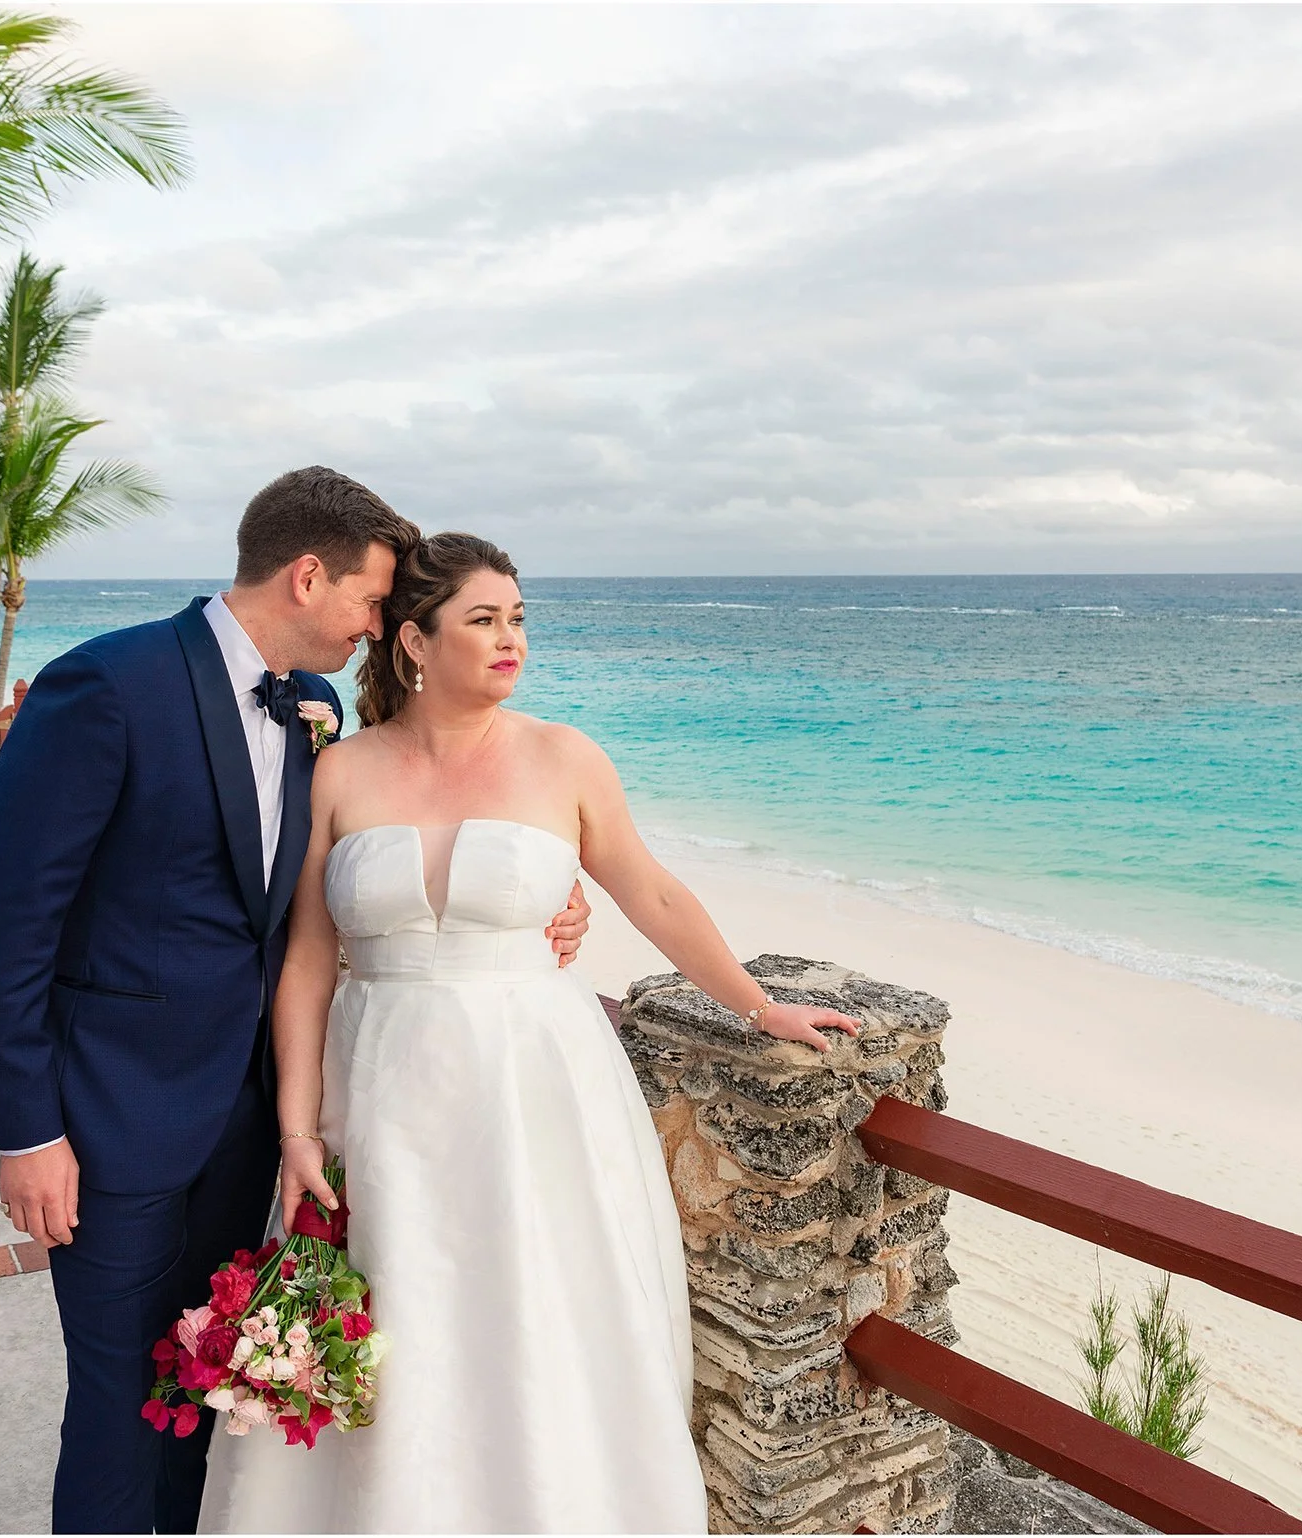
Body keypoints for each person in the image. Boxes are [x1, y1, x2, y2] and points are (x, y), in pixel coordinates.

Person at [0, 471, 595, 1533]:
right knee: (114, 1401)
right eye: (373, 601)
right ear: (307, 575)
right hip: (111, 1119)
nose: (379, 625)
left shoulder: (318, 709)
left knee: (206, 1387)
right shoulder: (106, 685)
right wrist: (26, 1129)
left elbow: (350, 880)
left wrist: (543, 895)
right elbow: (2, 922)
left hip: (253, 1122)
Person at [200, 532, 860, 1533]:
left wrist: (757, 1005)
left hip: (534, 1082)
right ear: (414, 642)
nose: (511, 639)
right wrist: (299, 1126)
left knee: (535, 1309)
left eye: (516, 618)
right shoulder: (339, 771)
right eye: (482, 619)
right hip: (375, 1084)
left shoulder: (563, 756)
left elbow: (653, 892)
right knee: (397, 1312)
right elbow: (304, 958)